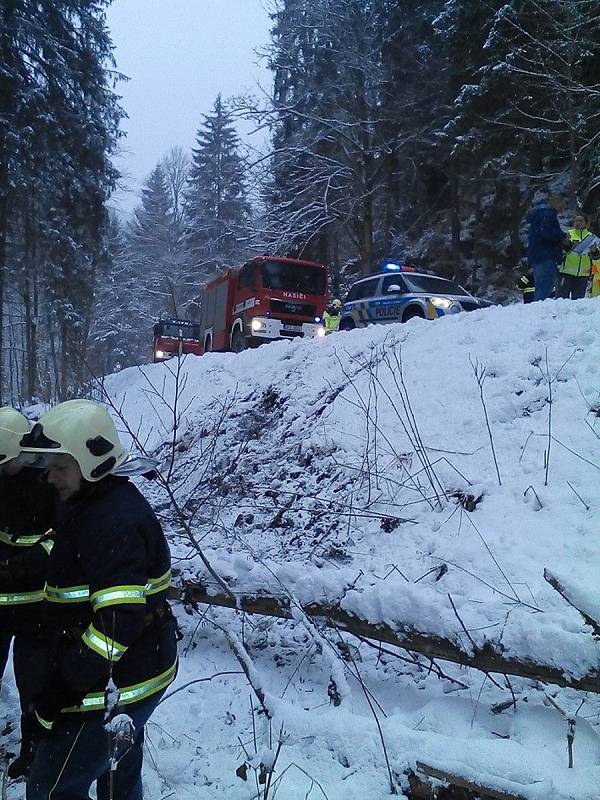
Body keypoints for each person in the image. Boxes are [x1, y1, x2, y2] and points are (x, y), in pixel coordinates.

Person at [21, 399, 178, 800]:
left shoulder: (113, 524)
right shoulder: (90, 502)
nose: (51, 478)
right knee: (117, 780)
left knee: (52, 790)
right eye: (49, 466)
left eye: (60, 467)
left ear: (92, 463)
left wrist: (61, 692)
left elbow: (116, 625)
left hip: (108, 690)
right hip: (132, 679)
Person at [0, 408, 55, 779]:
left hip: (39, 600)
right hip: (2, 598)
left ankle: (32, 752)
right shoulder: (2, 471)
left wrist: (26, 563)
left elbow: (65, 536)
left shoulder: (51, 479)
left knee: (31, 681)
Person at [527, 193, 569, 301]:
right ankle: (540, 312)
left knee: (542, 287)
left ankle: (539, 309)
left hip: (538, 255)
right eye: (563, 204)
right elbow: (546, 232)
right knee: (544, 287)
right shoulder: (547, 214)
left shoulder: (540, 214)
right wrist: (562, 236)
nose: (563, 208)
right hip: (546, 255)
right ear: (555, 202)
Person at [556, 213, 599, 299]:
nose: (577, 223)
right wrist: (567, 243)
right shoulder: (568, 234)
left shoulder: (592, 237)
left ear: (586, 223)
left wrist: (594, 250)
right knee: (561, 299)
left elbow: (596, 257)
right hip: (566, 272)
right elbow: (562, 250)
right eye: (576, 220)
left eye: (580, 221)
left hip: (583, 274)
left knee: (578, 301)